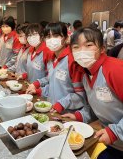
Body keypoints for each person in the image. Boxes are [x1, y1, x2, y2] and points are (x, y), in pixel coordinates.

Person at [62, 27, 123, 158]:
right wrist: (80, 116)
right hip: (109, 140)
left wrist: (115, 132)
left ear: (102, 49)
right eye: (76, 47)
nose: (82, 51)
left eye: (89, 45)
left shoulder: (115, 69)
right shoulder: (85, 74)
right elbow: (97, 106)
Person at [26, 22, 85, 114]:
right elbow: (55, 84)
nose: (52, 40)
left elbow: (81, 95)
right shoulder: (51, 59)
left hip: (68, 113)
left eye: (56, 36)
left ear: (65, 38)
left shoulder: (72, 60)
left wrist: (62, 104)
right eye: (48, 36)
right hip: (53, 109)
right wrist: (39, 90)